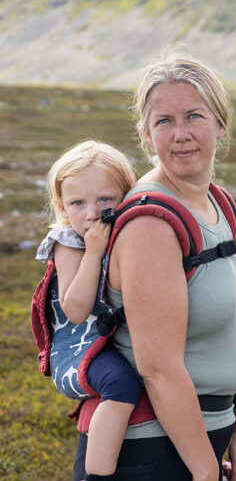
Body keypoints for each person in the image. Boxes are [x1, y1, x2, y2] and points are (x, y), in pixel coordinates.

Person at [72, 50, 236, 481]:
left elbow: (227, 329)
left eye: (194, 116)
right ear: (146, 134)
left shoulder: (218, 203)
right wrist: (205, 471)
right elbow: (158, 370)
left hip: (202, 436)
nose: (181, 135)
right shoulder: (150, 224)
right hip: (151, 450)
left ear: (220, 122)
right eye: (164, 121)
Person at [36, 140, 140, 480]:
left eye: (105, 199)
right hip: (77, 348)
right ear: (62, 207)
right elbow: (76, 310)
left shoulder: (128, 232)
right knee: (121, 383)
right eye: (78, 203)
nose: (92, 212)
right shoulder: (69, 242)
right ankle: (98, 471)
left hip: (110, 337)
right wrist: (93, 253)